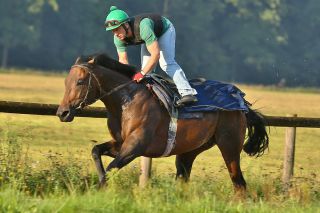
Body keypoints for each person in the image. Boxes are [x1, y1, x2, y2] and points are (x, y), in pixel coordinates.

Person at [105, 6, 198, 106]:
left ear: (126, 25)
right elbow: (123, 60)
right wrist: (127, 77)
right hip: (149, 37)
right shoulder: (117, 39)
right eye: (112, 31)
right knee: (147, 72)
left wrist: (141, 73)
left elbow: (156, 54)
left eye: (117, 29)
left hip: (164, 31)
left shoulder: (143, 27)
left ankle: (188, 93)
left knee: (166, 63)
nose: (115, 34)